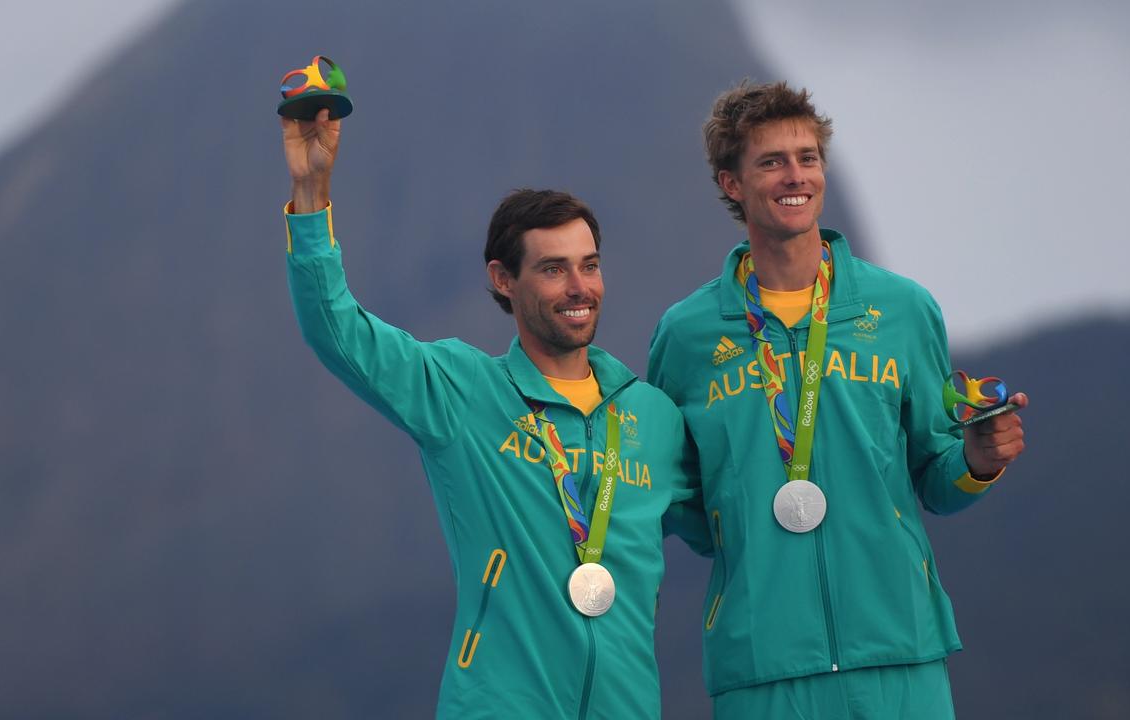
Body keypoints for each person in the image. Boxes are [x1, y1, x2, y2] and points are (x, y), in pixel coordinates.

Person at [282, 108, 703, 718]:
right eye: (553, 269)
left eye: (589, 265)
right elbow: (336, 328)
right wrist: (310, 192)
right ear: (503, 279)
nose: (579, 287)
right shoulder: (464, 392)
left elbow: (732, 525)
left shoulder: (655, 418)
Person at [647, 81, 1029, 718]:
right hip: (762, 664)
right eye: (771, 161)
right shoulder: (686, 336)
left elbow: (937, 477)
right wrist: (735, 522)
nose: (795, 175)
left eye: (808, 157)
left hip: (898, 651)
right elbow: (679, 498)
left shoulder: (903, 310)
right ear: (731, 184)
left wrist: (978, 460)